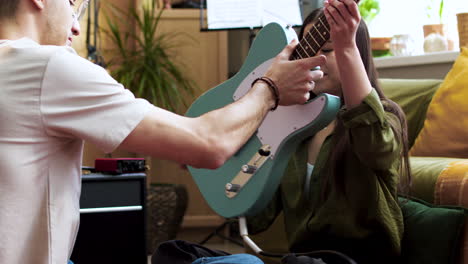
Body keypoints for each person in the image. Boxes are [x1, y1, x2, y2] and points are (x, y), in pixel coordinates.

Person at [0, 0, 326, 263]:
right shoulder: (48, 66)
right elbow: (209, 144)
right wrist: (270, 87)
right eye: (74, 5)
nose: (75, 24)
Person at [246, 0, 411, 264]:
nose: (314, 60)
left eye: (326, 49)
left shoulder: (388, 116)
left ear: (356, 54)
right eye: (309, 51)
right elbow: (257, 218)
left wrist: (345, 46)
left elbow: (376, 147)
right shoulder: (292, 129)